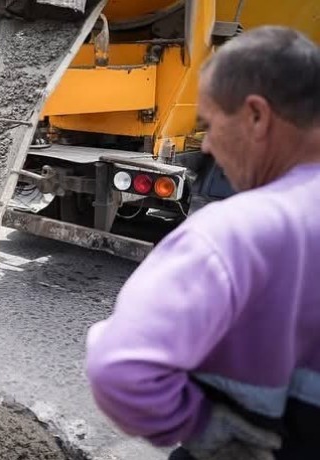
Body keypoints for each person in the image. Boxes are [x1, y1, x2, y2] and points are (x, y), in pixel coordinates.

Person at [85, 26, 320, 460]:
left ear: (256, 116)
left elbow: (120, 369)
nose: (207, 143)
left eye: (210, 123)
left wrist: (203, 427)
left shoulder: (235, 233)